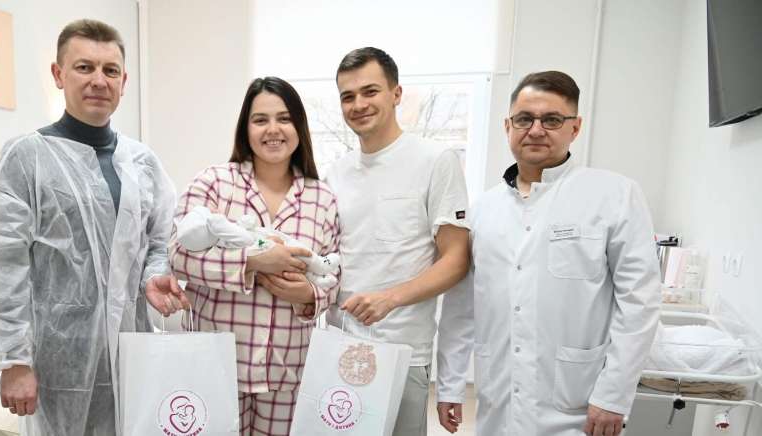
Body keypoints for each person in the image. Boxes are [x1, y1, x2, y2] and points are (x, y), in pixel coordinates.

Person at [0, 19, 188, 436]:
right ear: (59, 74)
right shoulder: (26, 158)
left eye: (110, 70)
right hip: (57, 360)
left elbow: (160, 239)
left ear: (123, 82)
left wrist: (154, 275)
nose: (98, 81)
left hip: (131, 349)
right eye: (84, 67)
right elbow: (1, 266)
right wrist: (14, 361)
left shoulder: (142, 163)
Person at [441, 71, 661, 436]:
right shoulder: (482, 210)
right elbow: (461, 307)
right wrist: (449, 385)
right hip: (499, 399)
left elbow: (639, 303)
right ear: (507, 126)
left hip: (579, 404)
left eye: (552, 120)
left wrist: (614, 395)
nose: (536, 130)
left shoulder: (615, 196)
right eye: (524, 119)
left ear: (575, 127)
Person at [169, 77, 341, 436]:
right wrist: (252, 262)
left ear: (299, 127)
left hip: (287, 371)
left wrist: (308, 296)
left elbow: (333, 275)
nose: (273, 129)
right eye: (260, 119)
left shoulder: (322, 198)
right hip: (216, 366)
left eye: (284, 118)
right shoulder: (214, 183)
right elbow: (178, 253)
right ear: (245, 128)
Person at [324, 47, 472, 436]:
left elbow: (456, 259)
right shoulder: (335, 174)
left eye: (370, 91)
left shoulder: (435, 160)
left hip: (403, 351)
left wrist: (389, 299)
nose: (358, 104)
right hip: (340, 347)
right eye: (347, 96)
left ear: (396, 93)